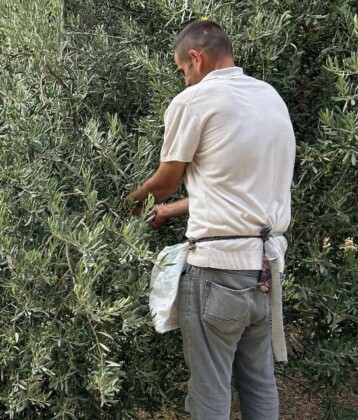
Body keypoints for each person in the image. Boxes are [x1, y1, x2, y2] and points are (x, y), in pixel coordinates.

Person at [128, 20, 295, 420]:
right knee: (259, 381)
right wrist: (169, 211)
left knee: (209, 391)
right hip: (265, 270)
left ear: (196, 59)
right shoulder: (269, 98)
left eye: (183, 70)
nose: (185, 80)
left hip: (217, 273)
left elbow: (165, 183)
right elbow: (236, 189)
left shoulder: (195, 101)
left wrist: (130, 201)